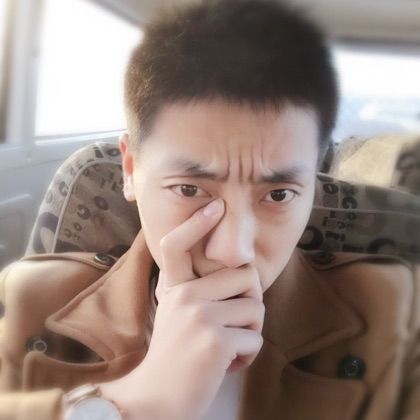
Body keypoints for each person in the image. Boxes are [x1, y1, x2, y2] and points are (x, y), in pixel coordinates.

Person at [0, 0, 419, 419]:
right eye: (189, 189)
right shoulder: (29, 300)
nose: (233, 252)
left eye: (278, 195)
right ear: (130, 169)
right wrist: (132, 405)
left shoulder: (396, 310)